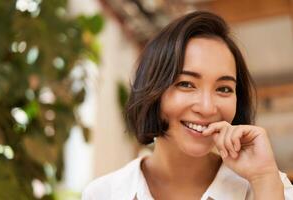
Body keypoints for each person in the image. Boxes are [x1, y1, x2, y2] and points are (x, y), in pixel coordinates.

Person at [82, 11, 293, 200]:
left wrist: (264, 178)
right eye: (186, 84)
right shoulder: (103, 193)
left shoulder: (270, 187)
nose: (208, 107)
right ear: (153, 90)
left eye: (224, 89)